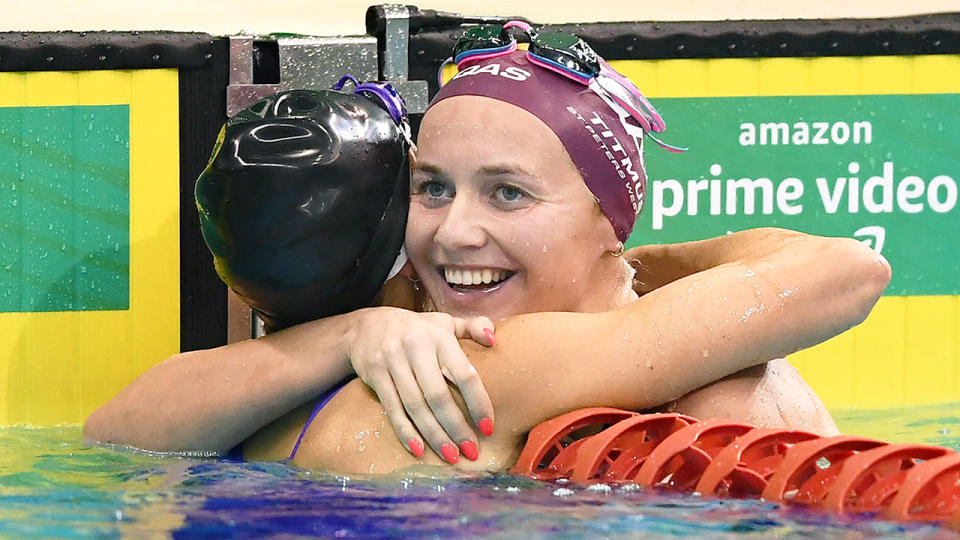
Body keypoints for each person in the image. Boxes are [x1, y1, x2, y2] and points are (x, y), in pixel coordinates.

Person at [84, 25, 890, 473]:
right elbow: (844, 266)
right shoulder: (469, 343)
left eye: (508, 192)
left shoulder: (474, 343)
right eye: (432, 188)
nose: (455, 230)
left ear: (613, 222)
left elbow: (113, 434)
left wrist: (640, 260)